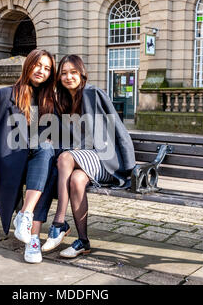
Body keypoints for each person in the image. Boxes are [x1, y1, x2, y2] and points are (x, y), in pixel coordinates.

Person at [40, 55, 136, 258]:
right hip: (83, 161)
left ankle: (58, 222)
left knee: (65, 158)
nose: (68, 77)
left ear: (82, 73)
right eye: (64, 73)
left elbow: (118, 128)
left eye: (73, 72)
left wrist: (129, 168)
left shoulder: (93, 94)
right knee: (76, 180)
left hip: (103, 159)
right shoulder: (64, 101)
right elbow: (64, 136)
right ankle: (83, 241)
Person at [0, 49, 59, 263]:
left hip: (39, 161)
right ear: (28, 65)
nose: (41, 71)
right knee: (46, 166)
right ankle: (31, 234)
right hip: (12, 162)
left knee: (46, 157)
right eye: (38, 65)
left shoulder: (50, 100)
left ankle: (28, 225)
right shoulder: (5, 95)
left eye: (47, 68)